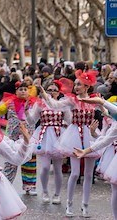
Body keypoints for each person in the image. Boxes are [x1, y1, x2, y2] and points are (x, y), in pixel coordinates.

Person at [42, 69, 100, 217]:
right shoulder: (72, 100)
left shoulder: (95, 99)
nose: (76, 87)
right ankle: (69, 204)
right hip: (74, 136)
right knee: (74, 174)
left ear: (87, 86)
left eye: (79, 85)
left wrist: (98, 131)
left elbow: (107, 113)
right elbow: (55, 105)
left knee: (88, 175)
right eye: (75, 84)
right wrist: (44, 94)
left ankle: (85, 205)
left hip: (90, 136)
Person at [26, 79, 71, 205]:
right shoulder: (40, 104)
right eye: (49, 90)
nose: (52, 92)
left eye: (55, 90)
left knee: (58, 168)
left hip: (59, 136)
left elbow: (70, 120)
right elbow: (31, 121)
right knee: (45, 167)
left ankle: (57, 194)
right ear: (44, 91)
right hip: (44, 136)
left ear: (59, 92)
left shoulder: (62, 104)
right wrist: (26, 112)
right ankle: (45, 191)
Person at [73, 97, 117, 219]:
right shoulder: (115, 125)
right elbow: (105, 140)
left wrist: (101, 102)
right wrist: (86, 150)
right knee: (115, 190)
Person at [0, 81, 38, 195]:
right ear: (16, 91)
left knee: (29, 161)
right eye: (20, 89)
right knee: (10, 161)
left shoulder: (33, 103)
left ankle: (30, 186)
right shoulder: (9, 102)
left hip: (28, 137)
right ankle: (5, 184)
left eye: (25, 89)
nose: (23, 91)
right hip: (13, 138)